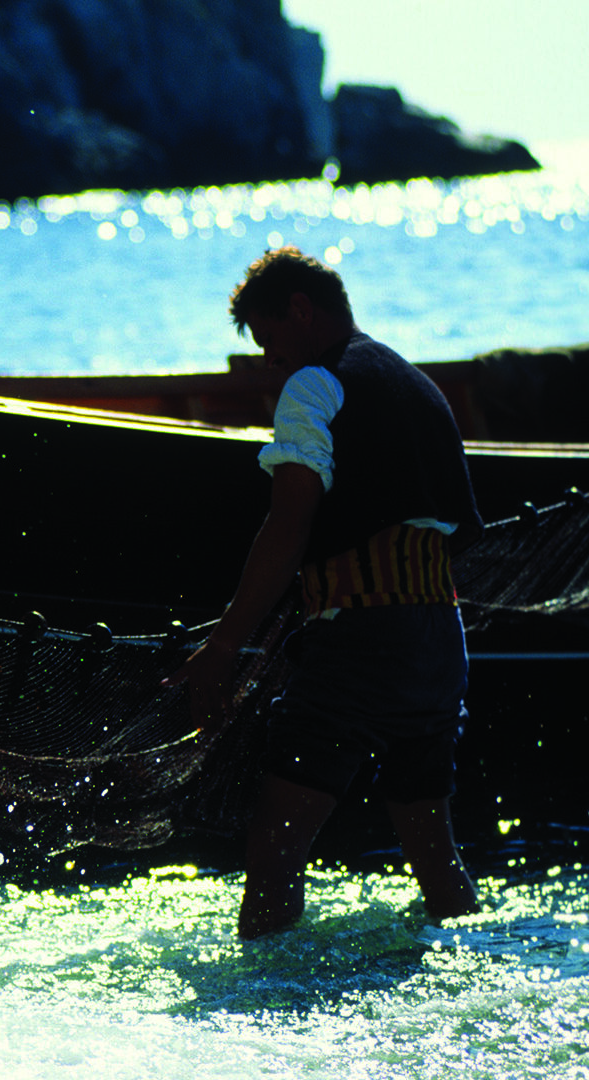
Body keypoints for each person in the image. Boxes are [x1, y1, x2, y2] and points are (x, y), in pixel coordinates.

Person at [166, 246, 484, 940]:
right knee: (436, 855)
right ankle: (467, 943)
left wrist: (223, 648)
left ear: (301, 311)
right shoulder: (421, 387)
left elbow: (288, 525)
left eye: (270, 340)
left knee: (275, 853)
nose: (271, 362)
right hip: (440, 643)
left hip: (361, 644)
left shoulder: (315, 386)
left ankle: (264, 1007)